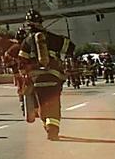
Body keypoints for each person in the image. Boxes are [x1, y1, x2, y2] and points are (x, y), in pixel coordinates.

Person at [17, 10, 74, 142]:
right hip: (54, 78)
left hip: (37, 80)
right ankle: (52, 130)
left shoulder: (26, 42)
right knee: (54, 103)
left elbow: (21, 62)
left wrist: (25, 77)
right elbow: (70, 47)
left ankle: (47, 126)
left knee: (42, 104)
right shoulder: (52, 37)